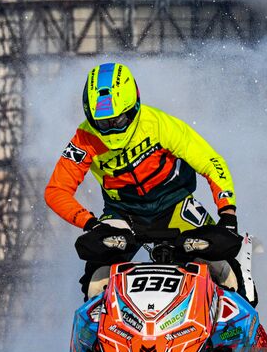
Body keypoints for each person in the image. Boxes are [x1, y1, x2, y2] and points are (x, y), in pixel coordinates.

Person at [44, 62, 250, 300]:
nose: (111, 130)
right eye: (102, 123)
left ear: (134, 107)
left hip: (175, 205)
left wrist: (227, 215)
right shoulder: (84, 138)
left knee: (223, 268)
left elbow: (212, 163)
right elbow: (56, 190)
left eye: (118, 120)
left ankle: (241, 324)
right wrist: (90, 223)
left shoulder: (160, 124)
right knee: (97, 279)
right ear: (90, 117)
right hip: (123, 214)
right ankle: (101, 331)